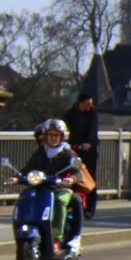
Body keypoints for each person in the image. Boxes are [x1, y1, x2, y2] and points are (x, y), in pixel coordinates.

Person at [21, 118, 79, 248]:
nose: (54, 138)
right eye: (51, 135)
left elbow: (77, 172)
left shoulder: (68, 154)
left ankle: (56, 238)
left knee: (59, 200)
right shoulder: (40, 152)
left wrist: (71, 179)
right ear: (46, 136)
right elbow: (28, 168)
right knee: (27, 195)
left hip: (60, 188)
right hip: (42, 188)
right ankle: (31, 226)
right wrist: (17, 177)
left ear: (62, 137)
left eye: (57, 135)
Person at [64, 93, 100, 218]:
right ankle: (72, 203)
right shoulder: (70, 114)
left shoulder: (92, 115)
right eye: (87, 104)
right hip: (74, 148)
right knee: (71, 174)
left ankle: (90, 206)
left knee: (89, 176)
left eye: (91, 104)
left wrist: (89, 142)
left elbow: (93, 130)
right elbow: (64, 128)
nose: (89, 107)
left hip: (89, 150)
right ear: (80, 103)